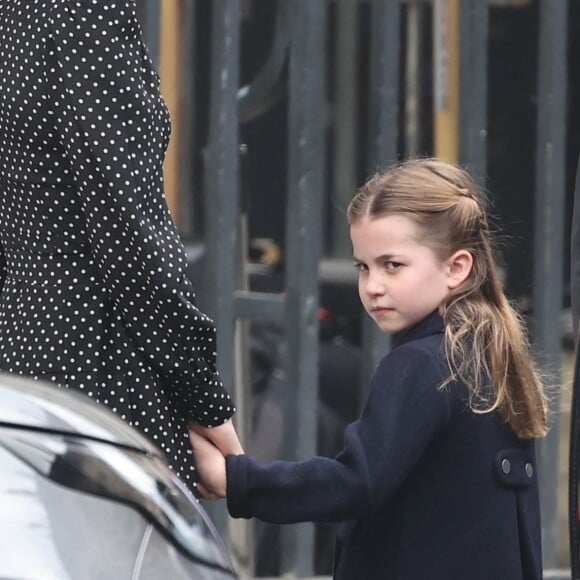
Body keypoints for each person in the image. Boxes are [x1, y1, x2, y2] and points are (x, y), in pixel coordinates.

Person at [190, 158, 548, 579]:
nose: (373, 285)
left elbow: (356, 482)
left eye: (392, 265)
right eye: (363, 266)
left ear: (457, 267)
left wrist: (238, 480)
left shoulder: (421, 364)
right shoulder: (488, 356)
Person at [0, 0, 242, 492]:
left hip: (28, 344)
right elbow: (129, 230)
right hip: (98, 356)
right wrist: (204, 401)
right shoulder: (84, 12)